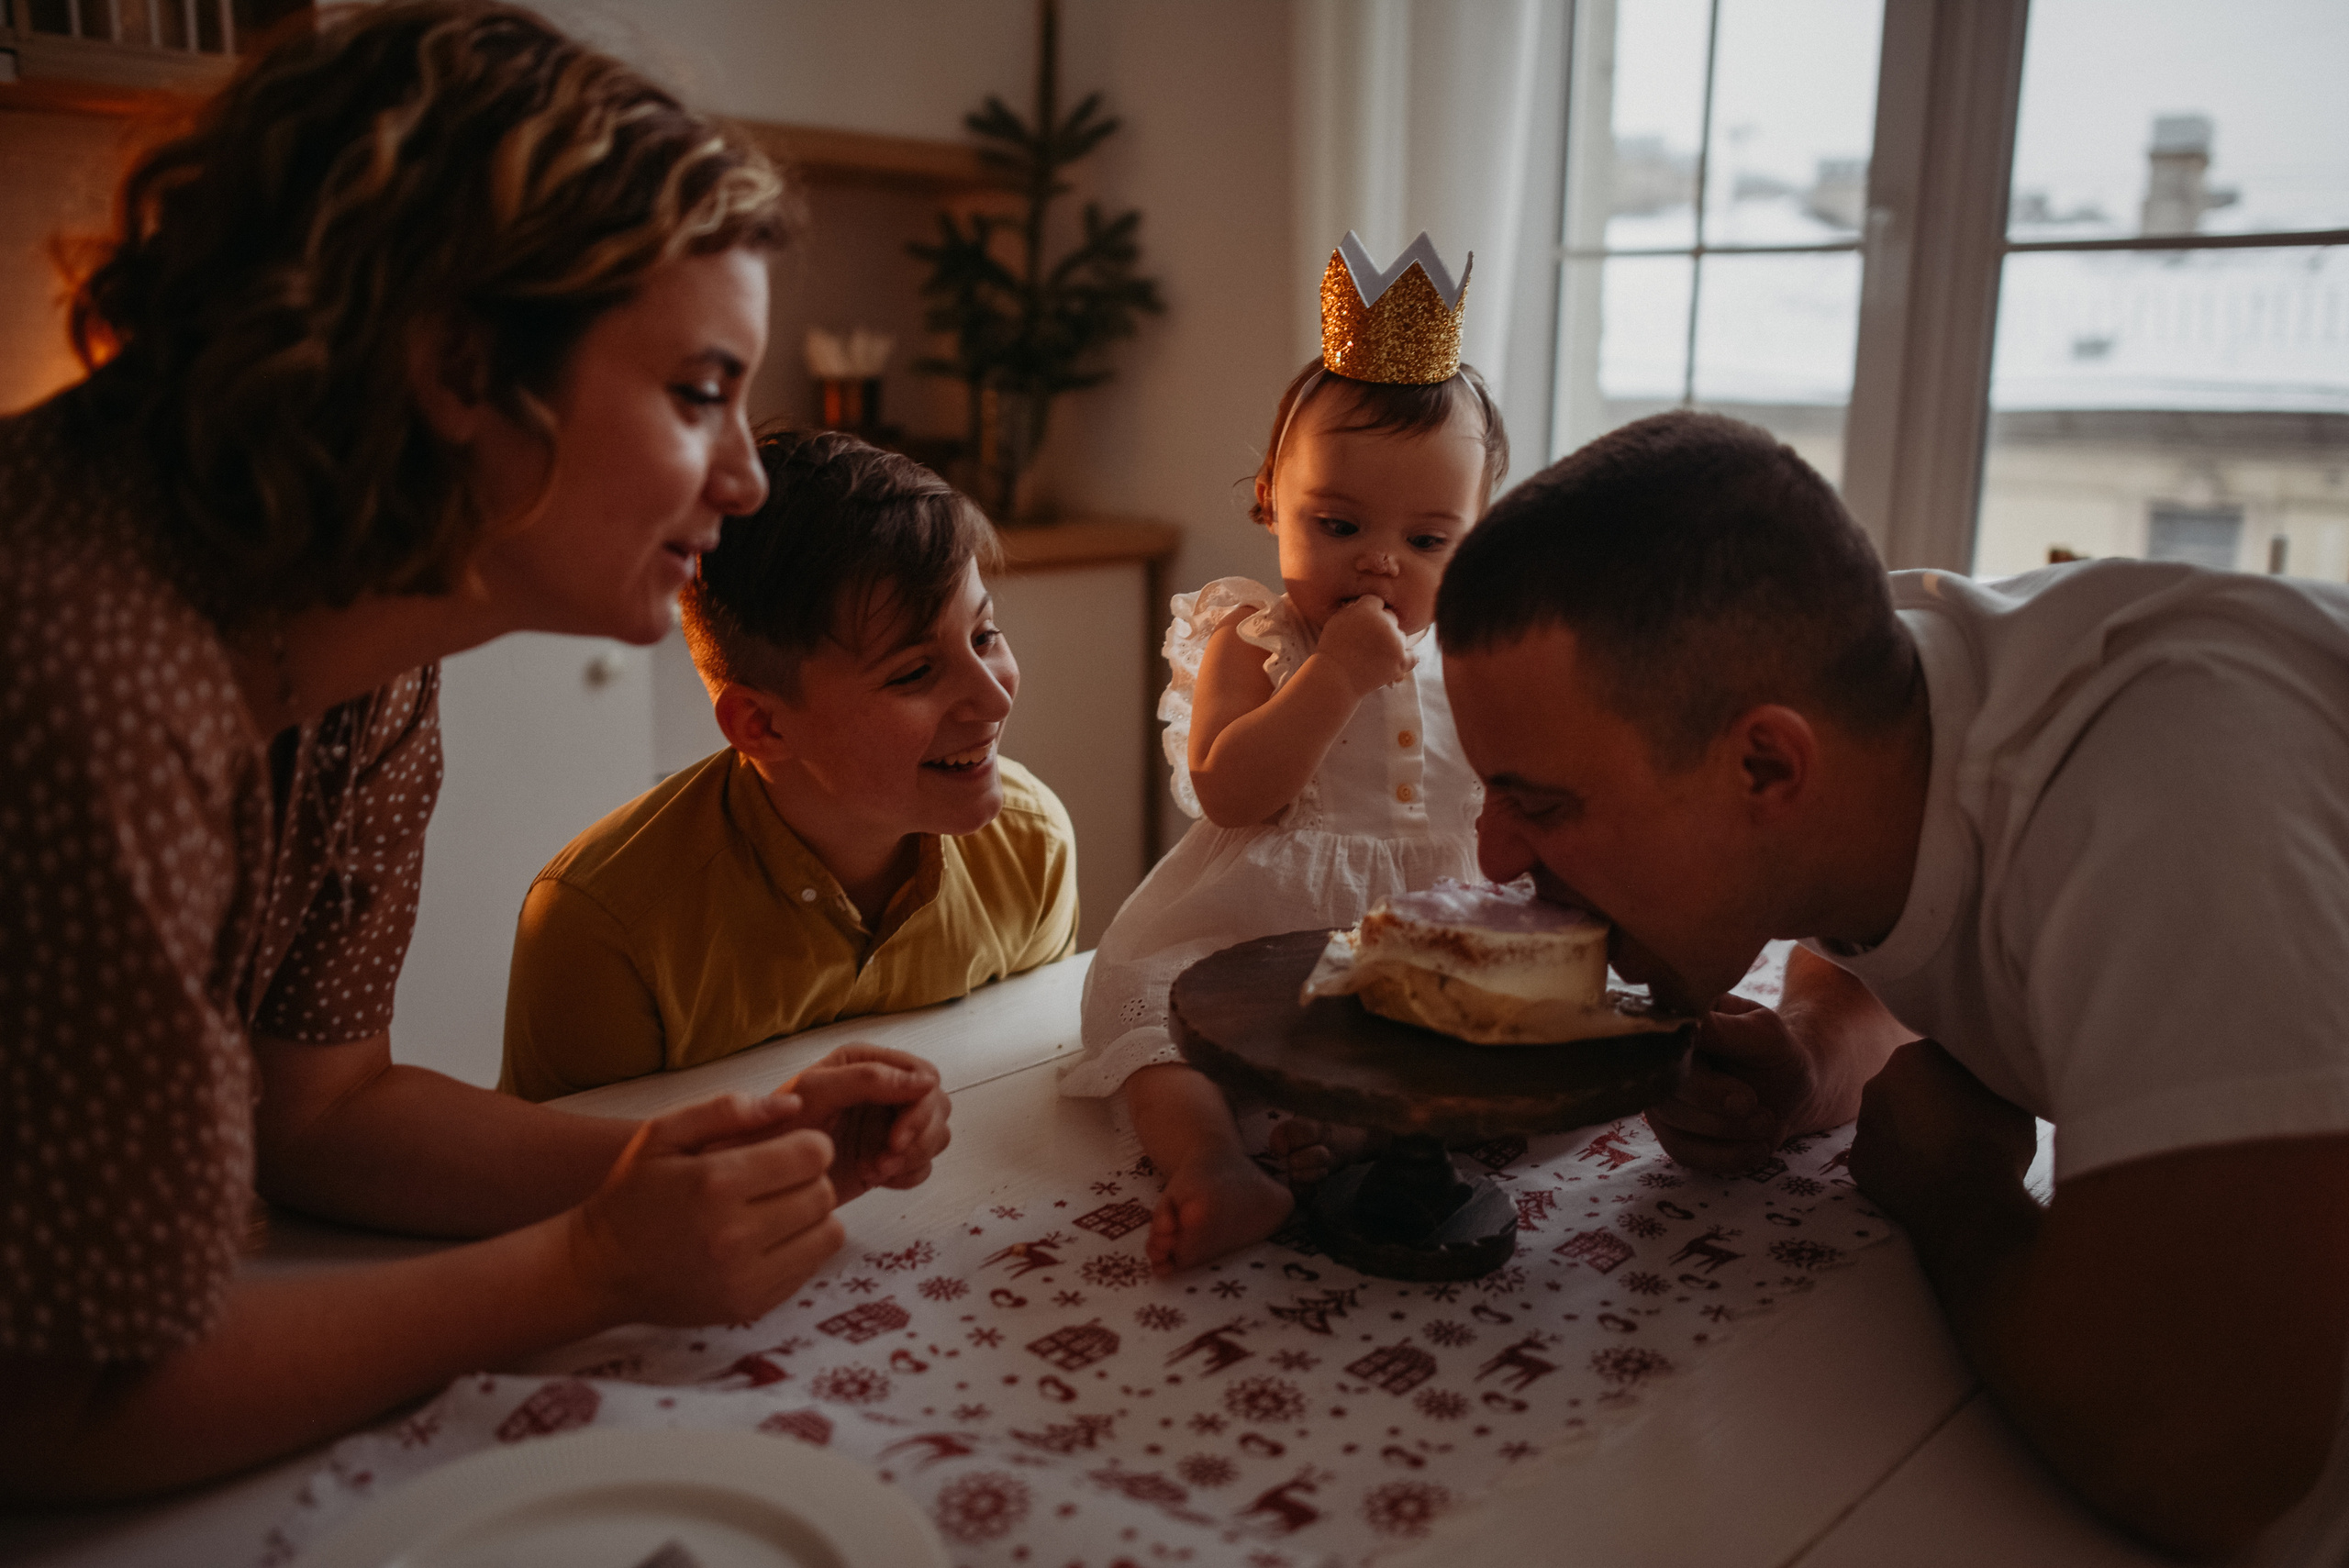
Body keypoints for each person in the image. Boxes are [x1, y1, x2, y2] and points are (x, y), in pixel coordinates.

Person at [0, 3, 952, 1502]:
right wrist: (587, 1268)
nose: (749, 478)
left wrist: (694, 1162)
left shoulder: (360, 656)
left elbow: (319, 1108)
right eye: (699, 392)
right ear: (460, 363)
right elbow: (54, 1411)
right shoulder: (87, 683)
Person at [1434, 409, 2349, 1562]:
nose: (1494, 859)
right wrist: (1813, 1052)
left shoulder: (2174, 799)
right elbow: (1882, 893)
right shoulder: (1881, 696)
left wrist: (1954, 1188)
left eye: (1543, 803)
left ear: (1766, 762)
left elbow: (2204, 1448)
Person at [1063, 232, 1508, 1273]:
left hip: (1416, 937)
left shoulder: (1477, 656)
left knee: (1484, 1049)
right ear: (1270, 497)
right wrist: (1333, 677)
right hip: (1246, 936)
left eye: (1429, 540)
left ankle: (1348, 1137)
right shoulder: (1255, 637)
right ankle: (1214, 1161)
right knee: (1144, 1015)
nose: (1381, 562)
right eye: (1340, 523)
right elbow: (1231, 792)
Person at [500, 430, 1079, 1100]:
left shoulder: (1032, 847)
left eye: (985, 635)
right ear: (762, 725)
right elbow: (570, 1160)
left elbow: (1029, 1087)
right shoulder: (603, 931)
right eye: (914, 672)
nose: (995, 697)